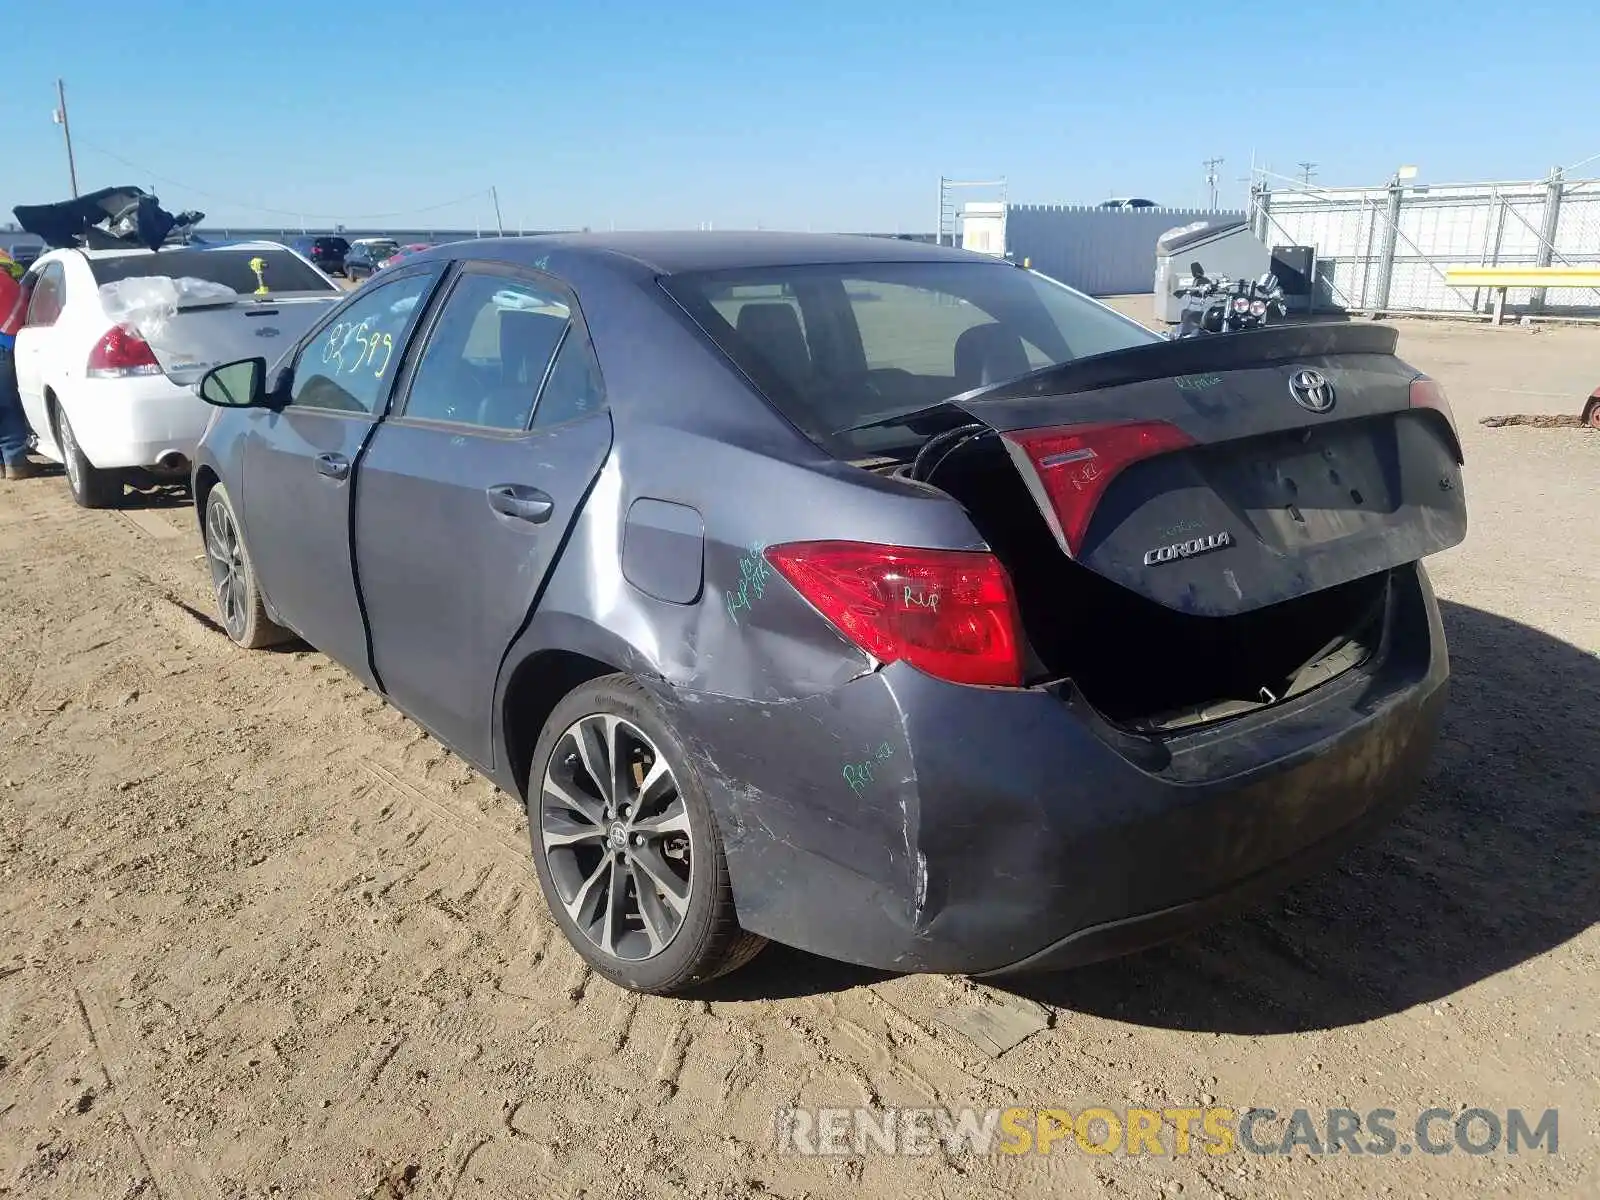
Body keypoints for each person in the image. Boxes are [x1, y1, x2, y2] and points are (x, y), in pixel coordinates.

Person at [0, 248, 40, 481]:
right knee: (8, 404)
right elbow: (20, 316)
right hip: (2, 348)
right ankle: (15, 461)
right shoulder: (6, 285)